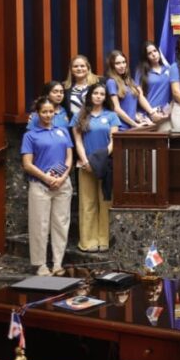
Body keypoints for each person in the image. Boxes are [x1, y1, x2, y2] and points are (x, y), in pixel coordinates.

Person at [21, 95, 74, 276]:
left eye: (51, 111)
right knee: (39, 225)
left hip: (62, 185)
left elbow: (69, 158)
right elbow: (27, 164)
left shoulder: (63, 131)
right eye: (44, 112)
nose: (48, 115)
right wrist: (46, 178)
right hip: (40, 186)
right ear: (37, 113)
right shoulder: (30, 135)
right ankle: (40, 264)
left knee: (61, 223)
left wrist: (62, 177)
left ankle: (58, 263)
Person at [70, 83, 119, 253]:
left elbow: (114, 140)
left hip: (105, 164)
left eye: (102, 94)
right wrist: (86, 161)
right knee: (87, 202)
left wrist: (100, 158)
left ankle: (104, 239)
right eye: (95, 93)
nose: (98, 96)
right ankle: (88, 241)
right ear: (90, 95)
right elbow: (77, 141)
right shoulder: (79, 116)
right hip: (85, 165)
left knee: (105, 201)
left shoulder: (111, 116)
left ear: (105, 97)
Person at [105, 50, 161, 130]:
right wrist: (135, 124)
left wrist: (140, 119)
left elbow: (132, 105)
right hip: (121, 128)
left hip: (132, 126)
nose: (122, 66)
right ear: (112, 65)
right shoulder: (111, 82)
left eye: (124, 62)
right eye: (118, 63)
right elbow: (116, 109)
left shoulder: (129, 81)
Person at [134, 41, 172, 131]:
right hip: (148, 114)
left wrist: (168, 111)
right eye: (149, 53)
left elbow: (174, 92)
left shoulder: (169, 69)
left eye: (155, 51)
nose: (153, 55)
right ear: (146, 57)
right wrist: (151, 113)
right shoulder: (141, 71)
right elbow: (139, 95)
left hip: (165, 114)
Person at [63, 55, 99, 120]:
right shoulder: (64, 87)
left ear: (88, 68)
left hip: (96, 123)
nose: (79, 69)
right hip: (73, 124)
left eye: (82, 66)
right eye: (75, 66)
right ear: (71, 70)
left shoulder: (98, 83)